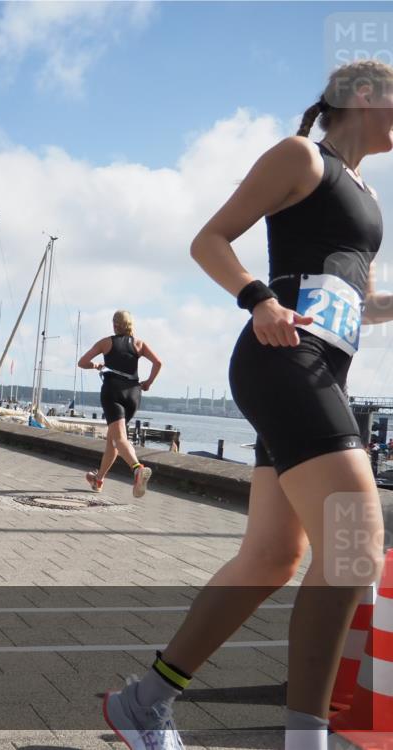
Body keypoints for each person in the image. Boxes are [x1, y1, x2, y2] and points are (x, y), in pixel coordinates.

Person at [102, 61, 391, 750]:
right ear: (362, 97)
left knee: (270, 557)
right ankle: (306, 741)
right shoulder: (301, 158)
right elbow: (210, 239)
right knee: (356, 546)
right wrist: (257, 297)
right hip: (281, 359)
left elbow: (361, 301)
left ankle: (143, 703)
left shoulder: (368, 197)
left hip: (321, 372)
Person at [77, 310, 162, 498]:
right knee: (112, 440)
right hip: (133, 394)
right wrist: (148, 383)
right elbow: (158, 363)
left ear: (115, 325)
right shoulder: (139, 344)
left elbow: (82, 362)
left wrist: (96, 365)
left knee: (119, 438)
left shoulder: (106, 342)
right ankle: (98, 479)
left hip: (113, 392)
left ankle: (137, 468)